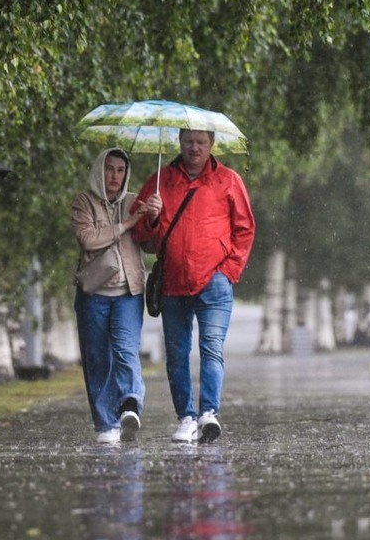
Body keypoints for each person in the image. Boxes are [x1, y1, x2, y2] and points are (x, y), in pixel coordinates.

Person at [131, 128, 255, 443]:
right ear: (180, 142)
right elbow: (138, 233)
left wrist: (229, 270)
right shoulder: (160, 182)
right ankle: (186, 418)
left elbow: (244, 229)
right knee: (176, 353)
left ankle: (208, 413)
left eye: (201, 142)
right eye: (189, 142)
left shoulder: (228, 180)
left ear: (212, 144)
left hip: (215, 281)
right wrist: (152, 217)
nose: (194, 148)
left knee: (211, 347)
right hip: (173, 281)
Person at [71, 148, 159, 444]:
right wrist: (127, 225)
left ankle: (130, 404)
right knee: (98, 359)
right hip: (94, 293)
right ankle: (105, 424)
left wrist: (153, 219)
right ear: (100, 170)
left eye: (121, 170)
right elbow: (88, 239)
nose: (115, 176)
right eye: (109, 169)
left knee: (126, 350)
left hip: (128, 293)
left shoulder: (135, 202)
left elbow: (150, 245)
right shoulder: (84, 202)